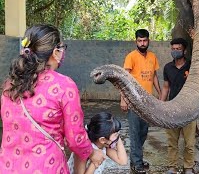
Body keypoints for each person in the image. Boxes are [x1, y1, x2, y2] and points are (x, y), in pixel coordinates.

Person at [0, 24, 105, 173]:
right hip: (46, 167)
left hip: (8, 166)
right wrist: (92, 152)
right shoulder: (64, 86)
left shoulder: (10, 84)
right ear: (55, 52)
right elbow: (75, 138)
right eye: (62, 48)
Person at [120, 29, 161, 174]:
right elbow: (123, 79)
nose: (142, 43)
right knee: (135, 133)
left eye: (144, 41)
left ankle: (135, 160)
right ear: (136, 41)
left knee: (143, 132)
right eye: (139, 41)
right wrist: (123, 99)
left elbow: (154, 76)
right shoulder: (131, 57)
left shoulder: (152, 56)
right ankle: (137, 164)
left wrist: (160, 93)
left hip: (148, 102)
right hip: (134, 101)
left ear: (148, 41)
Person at [160, 38, 196, 174]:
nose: (175, 51)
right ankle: (172, 167)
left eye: (178, 49)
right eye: (173, 49)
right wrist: (161, 105)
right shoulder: (168, 67)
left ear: (184, 50)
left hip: (189, 110)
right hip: (172, 110)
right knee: (172, 141)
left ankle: (188, 167)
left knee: (190, 143)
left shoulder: (192, 66)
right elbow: (165, 87)